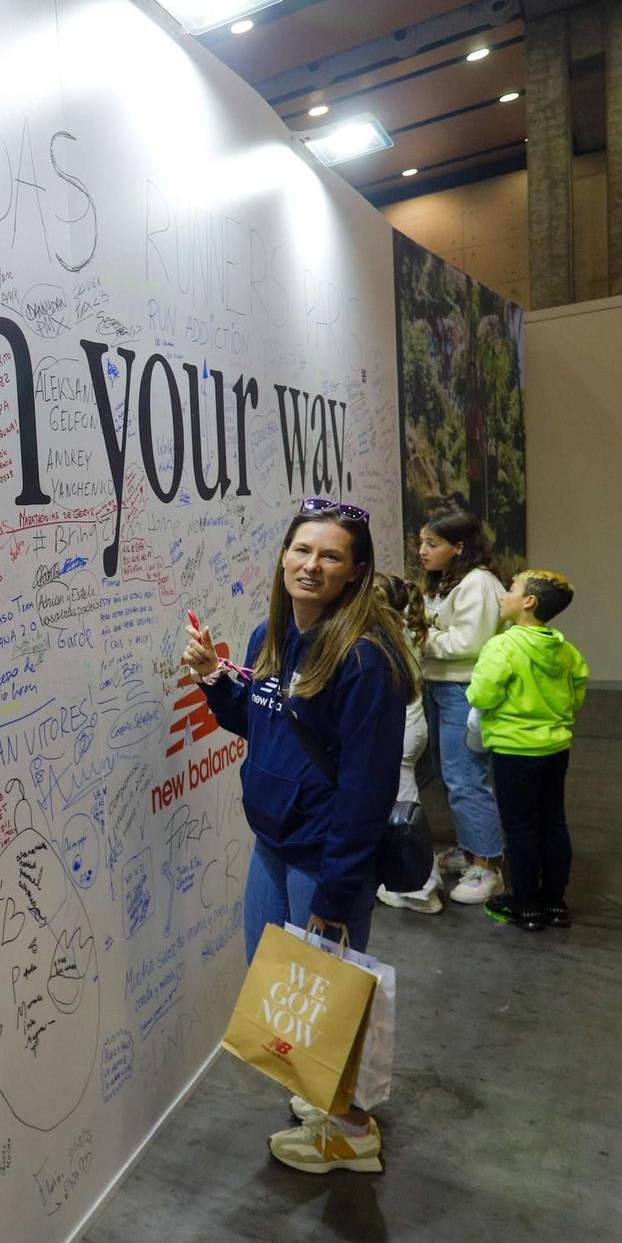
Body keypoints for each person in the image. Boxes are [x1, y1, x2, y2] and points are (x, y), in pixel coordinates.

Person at [180, 498, 414, 1175]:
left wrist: (337, 894)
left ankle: (351, 1131)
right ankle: (324, 1099)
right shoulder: (270, 637)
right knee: (286, 989)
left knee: (326, 997)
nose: (311, 565)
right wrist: (211, 679)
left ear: (355, 571)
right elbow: (262, 724)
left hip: (325, 860)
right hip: (272, 848)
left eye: (331, 555)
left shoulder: (366, 661)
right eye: (302, 550)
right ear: (284, 555)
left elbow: (366, 791)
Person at [466, 570, 588, 932]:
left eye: (512, 589)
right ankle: (555, 903)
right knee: (553, 822)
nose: (504, 595)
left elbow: (482, 695)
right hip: (555, 747)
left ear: (529, 602)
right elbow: (577, 691)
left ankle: (525, 905)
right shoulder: (565, 649)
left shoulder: (502, 646)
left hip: (514, 751)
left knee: (519, 828)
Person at [414, 508, 507, 904]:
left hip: (462, 690)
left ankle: (488, 867)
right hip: (438, 685)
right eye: (420, 542)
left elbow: (468, 643)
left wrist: (420, 637)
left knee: (466, 777)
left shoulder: (478, 583)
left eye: (432, 544)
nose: (422, 551)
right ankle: (469, 849)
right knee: (449, 774)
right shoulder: (444, 582)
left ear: (459, 547)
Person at [372, 574, 441, 914]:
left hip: (402, 733)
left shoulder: (385, 638)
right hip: (411, 729)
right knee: (402, 803)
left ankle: (421, 888)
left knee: (404, 810)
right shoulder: (404, 628)